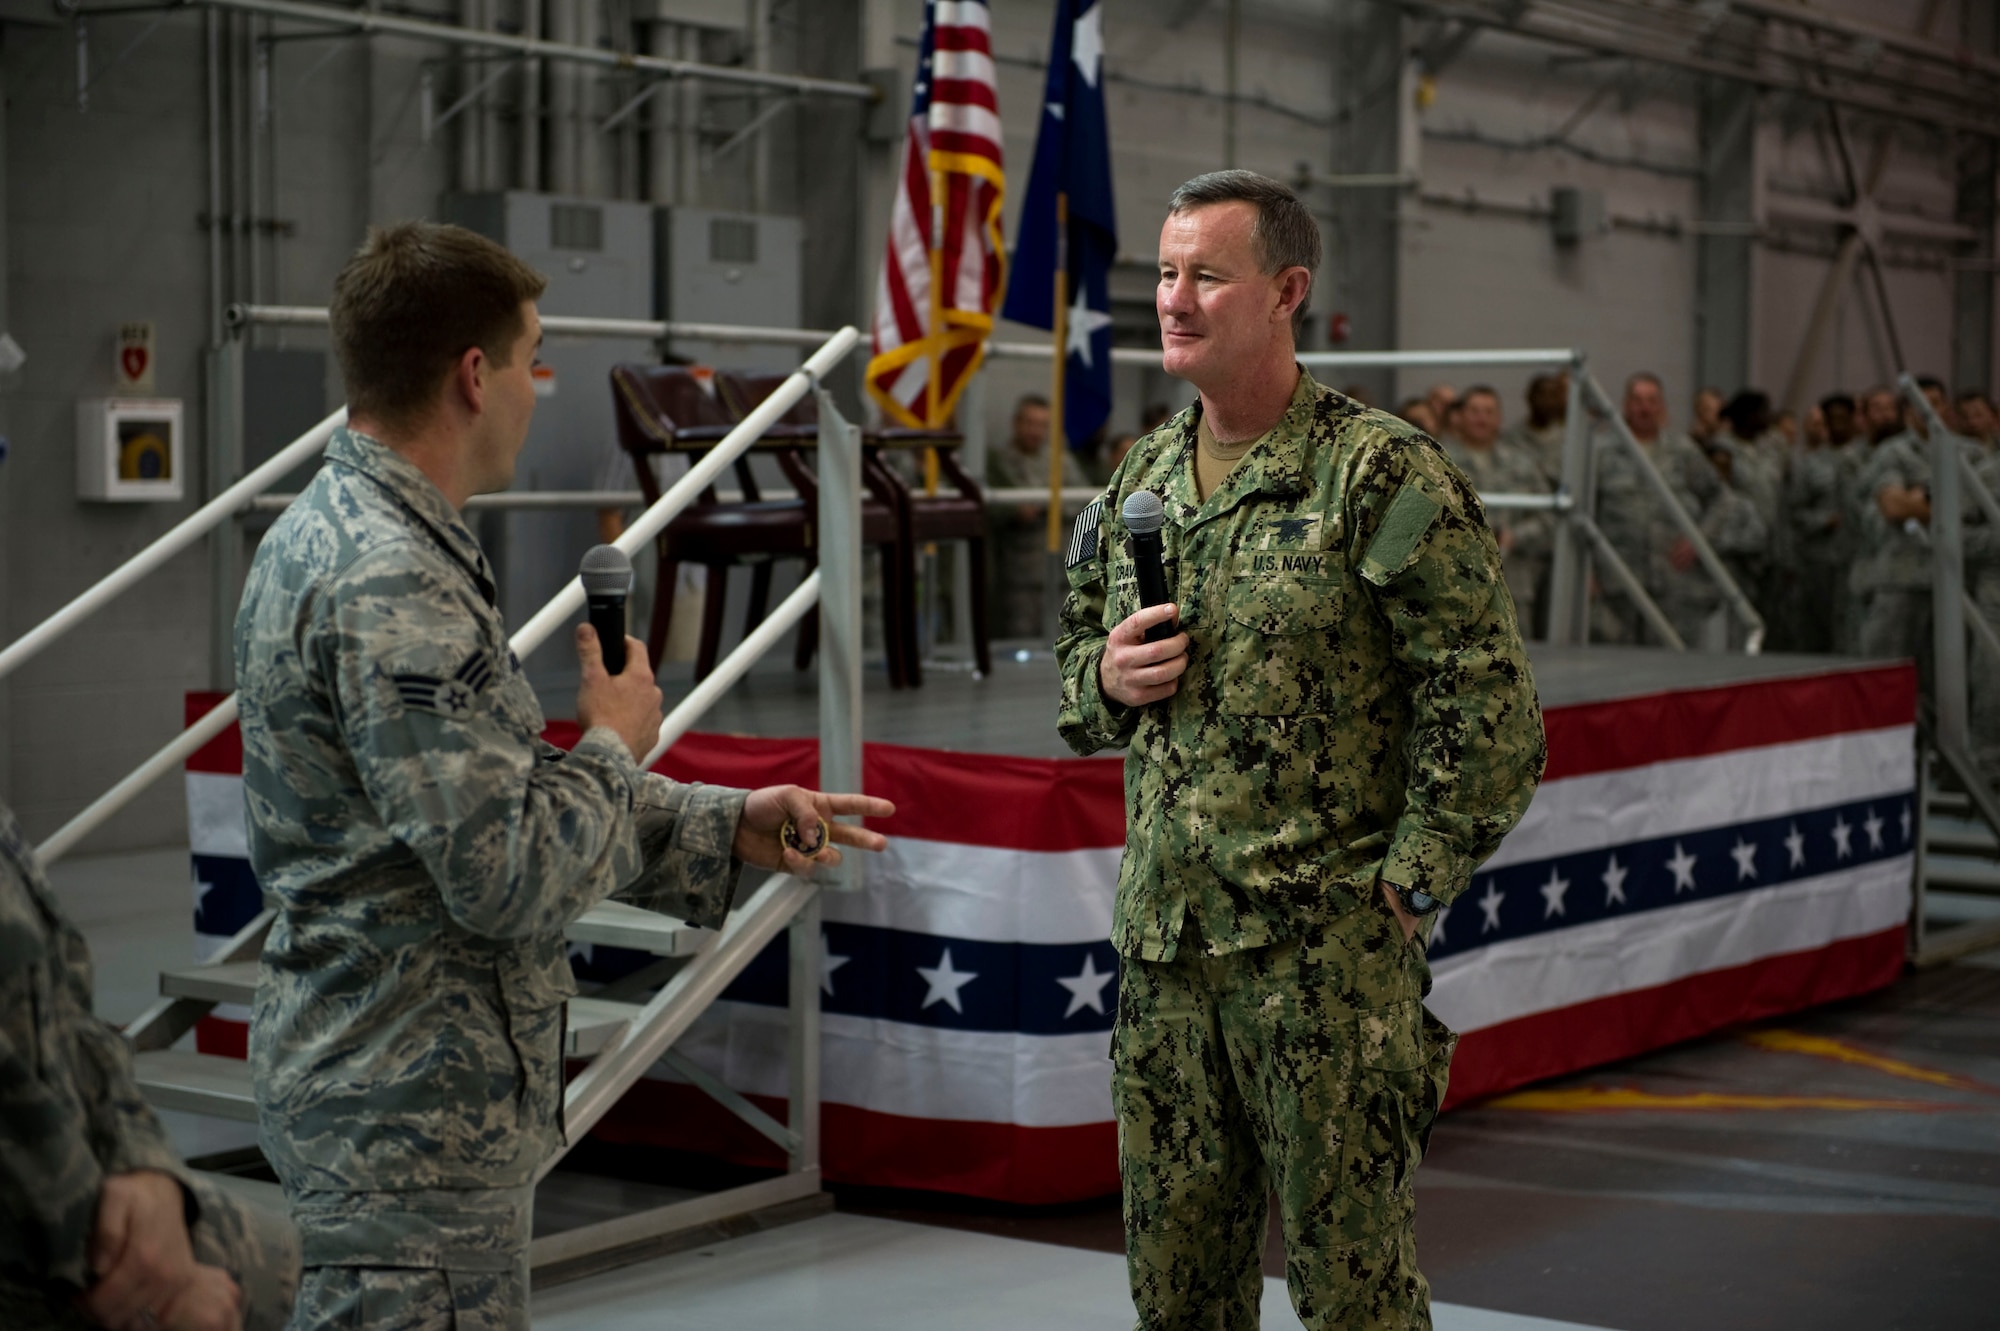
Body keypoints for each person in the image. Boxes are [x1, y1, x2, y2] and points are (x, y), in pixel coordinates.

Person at [233, 222, 893, 1330]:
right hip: (407, 1126)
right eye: (535, 356)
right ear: (473, 375)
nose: (545, 386)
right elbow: (504, 868)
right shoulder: (392, 574)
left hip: (398, 1106)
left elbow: (481, 796)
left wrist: (721, 822)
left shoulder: (348, 531)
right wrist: (617, 738)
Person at [1055, 170, 1545, 1329]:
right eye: (1165, 274)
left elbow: (1489, 707)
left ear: (1284, 292)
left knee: (1351, 1297)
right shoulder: (1140, 479)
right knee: (1175, 1295)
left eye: (1204, 276)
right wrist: (1105, 680)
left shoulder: (1376, 472)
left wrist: (1410, 879)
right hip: (1167, 958)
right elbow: (1077, 672)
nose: (1172, 300)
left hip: (1319, 968)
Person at [0, 799, 301, 1331]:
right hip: (57, 1261)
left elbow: (66, 1009)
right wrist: (149, 1287)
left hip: (104, 1192)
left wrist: (146, 1165)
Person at [1594, 372, 1725, 646]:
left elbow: (1721, 499)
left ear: (1662, 407)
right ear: (1625, 405)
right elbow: (1582, 513)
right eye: (1637, 400)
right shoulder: (1601, 452)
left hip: (1672, 583)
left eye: (1651, 400)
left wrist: (1698, 539)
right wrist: (1587, 572)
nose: (1644, 407)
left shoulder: (1682, 451)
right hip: (1618, 585)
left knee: (1670, 666)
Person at [1442, 384, 1554, 635]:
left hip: (1512, 584)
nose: (1481, 418)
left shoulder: (1522, 463)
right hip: (1454, 584)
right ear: (1460, 416)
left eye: (1488, 411)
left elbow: (1548, 518)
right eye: (1474, 411)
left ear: (1499, 418)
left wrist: (1517, 536)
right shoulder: (1440, 460)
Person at [985, 393, 1057, 638]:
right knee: (1019, 642)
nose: (1035, 431)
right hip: (1017, 576)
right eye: (1030, 423)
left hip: (1059, 574)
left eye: (1042, 425)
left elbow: (1088, 501)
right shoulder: (999, 461)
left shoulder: (1058, 461)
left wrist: (1047, 506)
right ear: (1016, 423)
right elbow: (1000, 509)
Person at [1501, 371, 1569, 485]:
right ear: (1530, 397)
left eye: (1552, 395)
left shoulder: (1568, 440)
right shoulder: (1511, 438)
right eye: (1542, 394)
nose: (1547, 401)